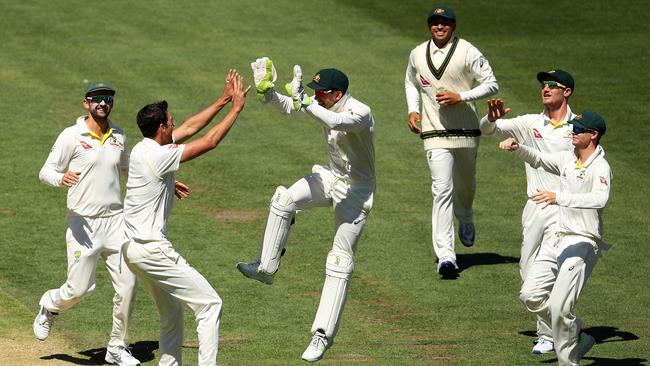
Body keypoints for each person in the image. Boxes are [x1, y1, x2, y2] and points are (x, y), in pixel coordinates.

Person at [237, 58, 375, 362]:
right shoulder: (325, 103)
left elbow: (335, 122)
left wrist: (304, 100)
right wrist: (269, 93)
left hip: (356, 190)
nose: (317, 95)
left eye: (321, 92)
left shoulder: (360, 112)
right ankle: (265, 268)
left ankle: (321, 336)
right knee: (284, 199)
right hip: (329, 176)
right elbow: (293, 106)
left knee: (339, 259)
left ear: (337, 94)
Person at [122, 70, 249, 366]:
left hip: (132, 250)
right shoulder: (159, 156)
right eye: (170, 121)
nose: (175, 123)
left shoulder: (145, 148)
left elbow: (191, 126)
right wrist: (236, 109)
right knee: (209, 304)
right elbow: (209, 142)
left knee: (171, 313)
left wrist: (223, 100)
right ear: (162, 128)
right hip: (152, 249)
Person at [35, 81, 141, 366]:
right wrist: (61, 179)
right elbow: (46, 171)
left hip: (116, 223)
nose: (103, 103)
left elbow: (131, 171)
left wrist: (165, 183)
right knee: (80, 288)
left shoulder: (119, 135)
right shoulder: (72, 135)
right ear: (86, 103)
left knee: (128, 286)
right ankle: (49, 304)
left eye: (107, 99)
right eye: (97, 99)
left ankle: (117, 347)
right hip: (83, 224)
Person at [499, 111, 611, 366]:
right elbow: (538, 158)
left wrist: (558, 197)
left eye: (578, 130)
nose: (572, 132)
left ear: (593, 135)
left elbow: (600, 198)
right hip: (556, 239)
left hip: (581, 242)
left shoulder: (601, 166)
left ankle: (567, 361)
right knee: (530, 294)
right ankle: (575, 332)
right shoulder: (567, 159)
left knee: (560, 307)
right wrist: (518, 148)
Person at [480, 69, 576, 354]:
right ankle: (560, 326)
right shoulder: (530, 123)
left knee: (553, 271)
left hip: (562, 207)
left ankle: (547, 334)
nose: (545, 89)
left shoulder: (578, 127)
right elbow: (486, 130)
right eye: (543, 85)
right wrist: (491, 118)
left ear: (566, 91)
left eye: (552, 85)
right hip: (534, 206)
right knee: (527, 269)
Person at [404, 5, 499, 277]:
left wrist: (461, 97)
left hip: (467, 132)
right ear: (429, 26)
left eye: (445, 23)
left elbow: (491, 84)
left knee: (466, 186)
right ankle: (446, 256)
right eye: (435, 23)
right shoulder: (417, 53)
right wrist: (413, 109)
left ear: (453, 26)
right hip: (434, 133)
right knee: (441, 189)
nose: (439, 27)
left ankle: (466, 216)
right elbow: (411, 82)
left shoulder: (468, 51)